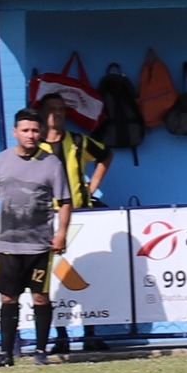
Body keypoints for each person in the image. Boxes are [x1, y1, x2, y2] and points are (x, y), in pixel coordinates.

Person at [0, 109, 70, 367]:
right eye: (25, 130)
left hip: (40, 245)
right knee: (8, 297)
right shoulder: (1, 161)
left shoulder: (52, 163)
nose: (31, 135)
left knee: (40, 297)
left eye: (35, 130)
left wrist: (61, 233)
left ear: (41, 133)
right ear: (15, 132)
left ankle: (40, 350)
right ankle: (5, 353)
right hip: (8, 245)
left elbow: (65, 202)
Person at [36, 94, 112, 354]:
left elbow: (105, 154)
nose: (56, 114)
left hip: (81, 216)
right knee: (54, 279)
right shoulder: (34, 145)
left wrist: (92, 187)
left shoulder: (78, 142)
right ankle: (61, 335)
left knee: (85, 276)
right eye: (51, 110)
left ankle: (90, 333)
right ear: (42, 113)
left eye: (60, 109)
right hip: (47, 218)